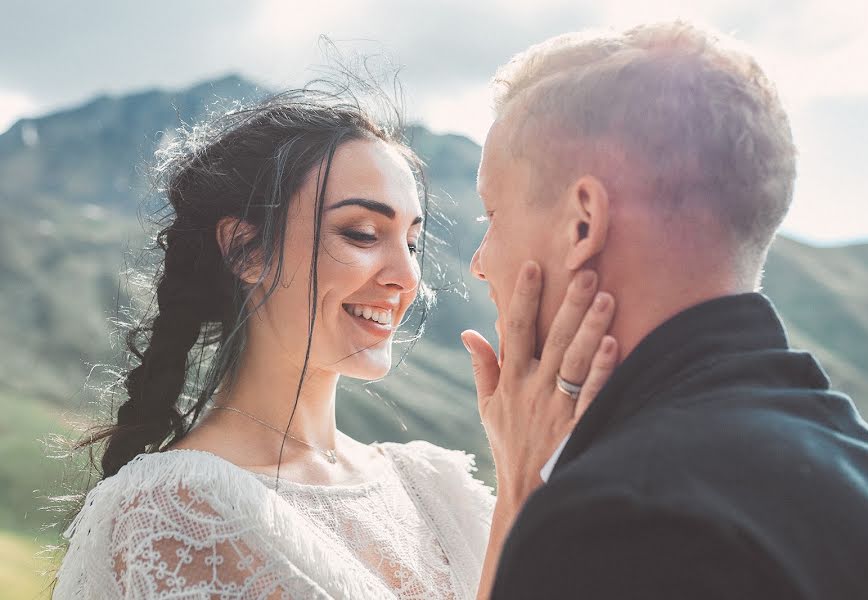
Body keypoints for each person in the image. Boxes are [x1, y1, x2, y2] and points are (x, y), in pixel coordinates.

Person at [52, 85, 617, 599]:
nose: (406, 275)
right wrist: (520, 487)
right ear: (246, 250)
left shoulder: (432, 487)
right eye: (364, 234)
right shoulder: (176, 509)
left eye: (412, 243)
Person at [463, 21, 868, 599]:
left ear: (583, 223)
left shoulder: (617, 521)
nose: (479, 263)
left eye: (491, 216)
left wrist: (522, 495)